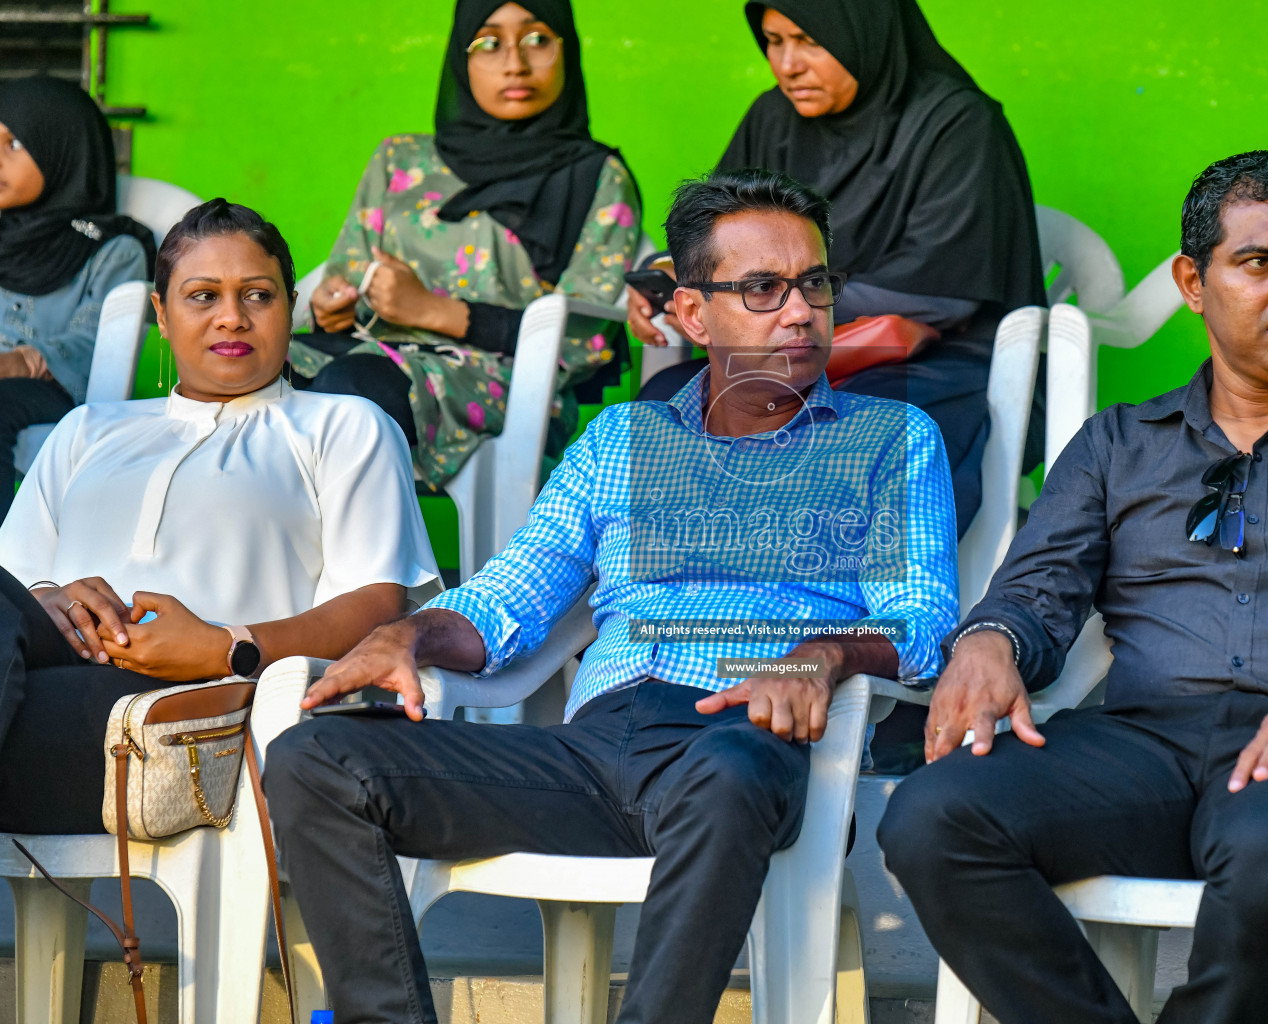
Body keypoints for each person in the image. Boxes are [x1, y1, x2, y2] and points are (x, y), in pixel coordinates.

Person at [263, 168, 958, 1024]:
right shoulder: (624, 439)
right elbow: (508, 598)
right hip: (595, 751)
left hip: (744, 740)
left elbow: (922, 622)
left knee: (730, 771)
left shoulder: (889, 439)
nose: (801, 310)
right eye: (765, 288)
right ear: (694, 313)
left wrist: (820, 657)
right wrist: (409, 636)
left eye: (814, 283)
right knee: (315, 760)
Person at [876, 151, 1268, 1024]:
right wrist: (989, 640)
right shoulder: (1119, 444)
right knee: (931, 819)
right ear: (1193, 281)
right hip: (1137, 748)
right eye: (1260, 263)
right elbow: (1034, 593)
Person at [0, 199, 439, 834]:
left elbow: (375, 603)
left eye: (257, 296)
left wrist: (219, 647)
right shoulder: (88, 429)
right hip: (43, 685)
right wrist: (51, 598)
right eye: (202, 296)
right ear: (161, 314)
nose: (231, 317)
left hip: (193, 719)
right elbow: (13, 583)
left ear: (289, 306)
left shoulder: (341, 425)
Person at [630, 0, 1047, 535]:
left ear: (865, 30)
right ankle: (681, 588)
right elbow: (711, 235)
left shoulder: (957, 122)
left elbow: (943, 294)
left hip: (940, 358)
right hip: (787, 351)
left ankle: (820, 601)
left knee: (859, 426)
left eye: (809, 40)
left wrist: (757, 299)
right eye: (775, 41)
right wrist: (665, 276)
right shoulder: (771, 117)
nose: (787, 65)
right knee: (668, 401)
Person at [291, 0, 641, 488]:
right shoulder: (399, 159)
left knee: (350, 396)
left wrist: (433, 311)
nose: (515, 63)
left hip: (505, 383)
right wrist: (334, 308)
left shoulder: (597, 177)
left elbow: (586, 339)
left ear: (567, 50)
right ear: (462, 58)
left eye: (538, 39)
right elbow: (344, 277)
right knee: (260, 376)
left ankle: (371, 564)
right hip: (368, 348)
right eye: (489, 43)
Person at [0, 76, 156, 522]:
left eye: (13, 144)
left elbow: (93, 348)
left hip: (53, 393)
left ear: (63, 149)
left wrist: (15, 363)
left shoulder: (111, 250)